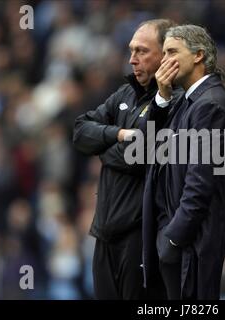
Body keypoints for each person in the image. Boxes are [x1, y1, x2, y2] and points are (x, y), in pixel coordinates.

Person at [72, 19, 176, 300]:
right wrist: (118, 134)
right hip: (104, 234)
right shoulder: (125, 93)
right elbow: (80, 132)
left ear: (165, 54)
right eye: (131, 51)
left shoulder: (175, 102)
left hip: (140, 237)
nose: (132, 59)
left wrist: (103, 148)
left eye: (142, 51)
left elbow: (138, 156)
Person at [141, 24, 225, 299]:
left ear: (198, 55)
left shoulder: (210, 105)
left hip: (192, 244)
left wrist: (173, 237)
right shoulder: (187, 100)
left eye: (172, 51)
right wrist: (161, 96)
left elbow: (200, 183)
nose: (164, 61)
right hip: (179, 241)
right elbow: (151, 146)